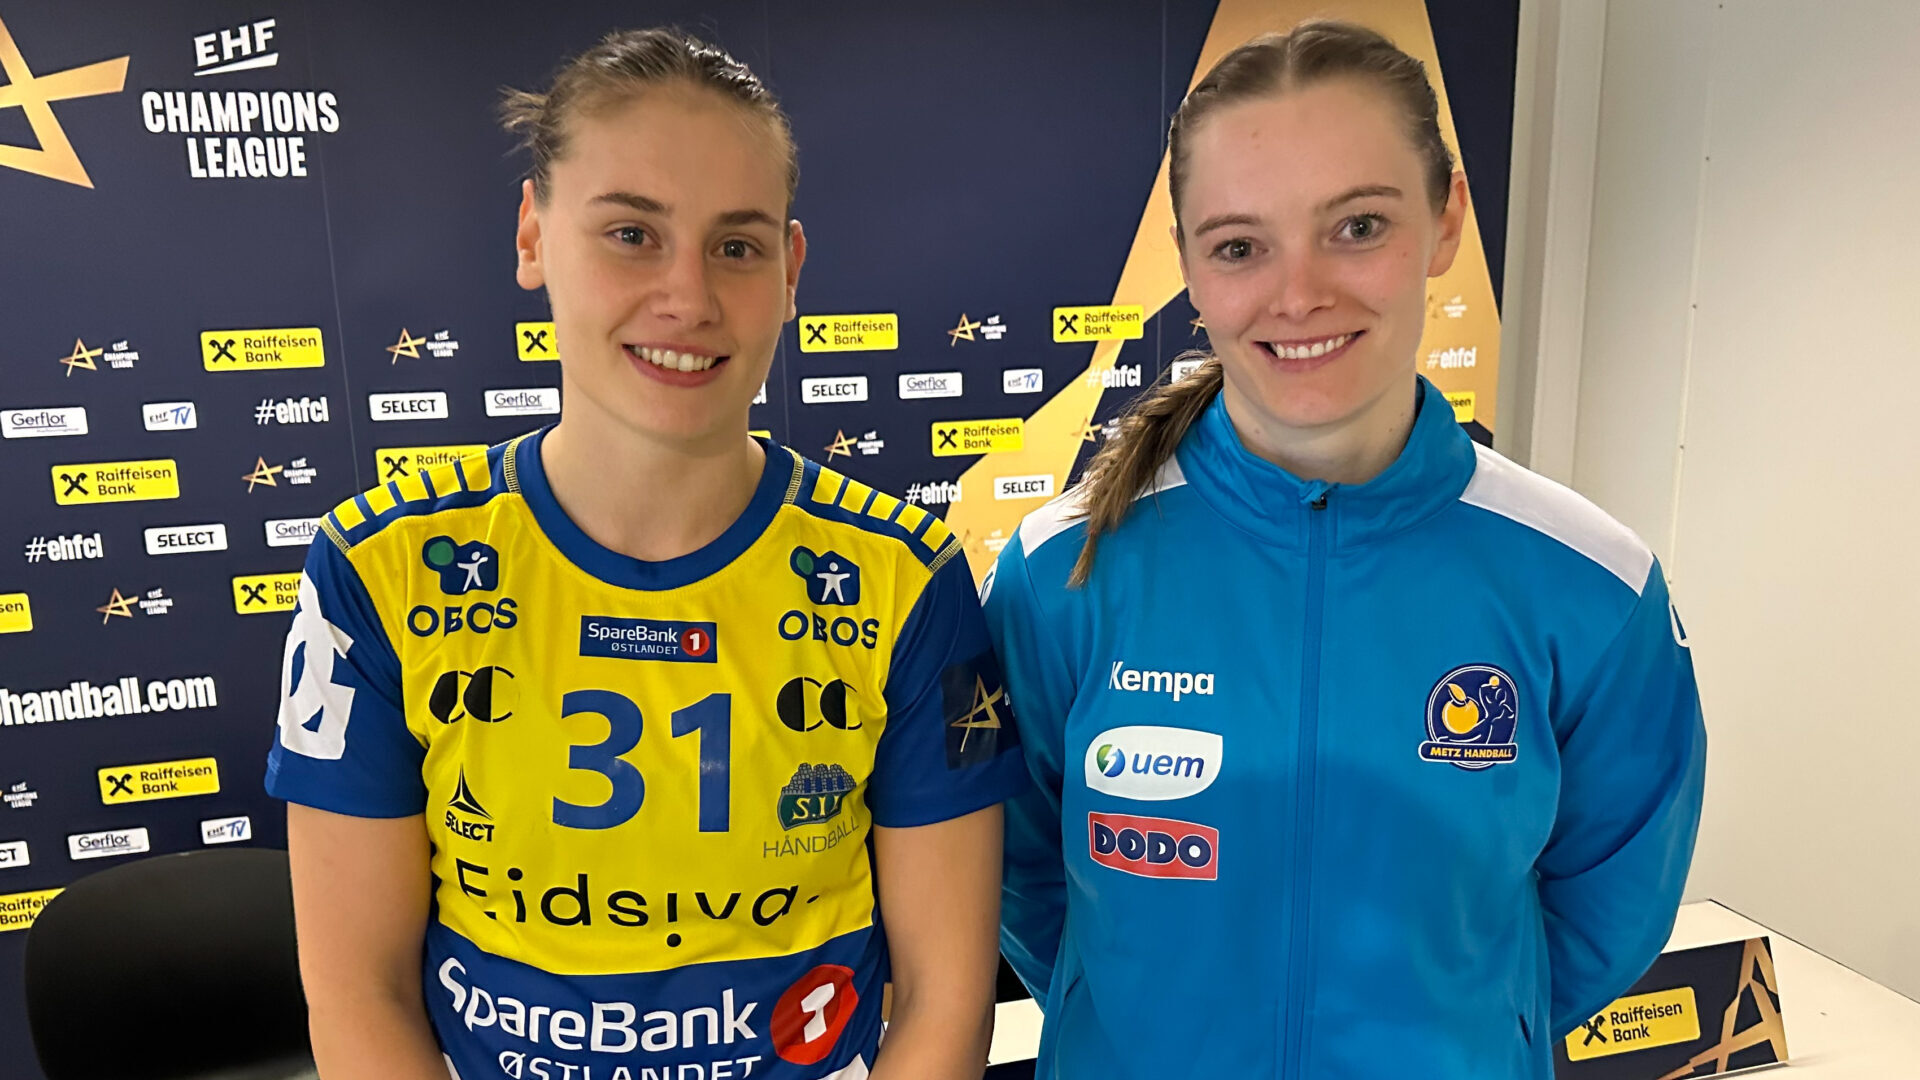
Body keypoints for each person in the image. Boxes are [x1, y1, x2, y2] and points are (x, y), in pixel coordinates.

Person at [266, 28, 1024, 1080]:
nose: (689, 298)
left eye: (737, 246)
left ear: (791, 270)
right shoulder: (380, 568)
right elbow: (360, 992)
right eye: (632, 233)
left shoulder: (903, 579)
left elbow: (946, 999)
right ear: (533, 236)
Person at [983, 21, 1706, 1080]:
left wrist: (1451, 1040)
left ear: (1446, 218)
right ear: (1187, 262)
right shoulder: (1061, 573)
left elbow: (1608, 909)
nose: (1300, 294)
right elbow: (1022, 879)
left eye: (1358, 226)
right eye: (1240, 246)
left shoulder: (1591, 584)